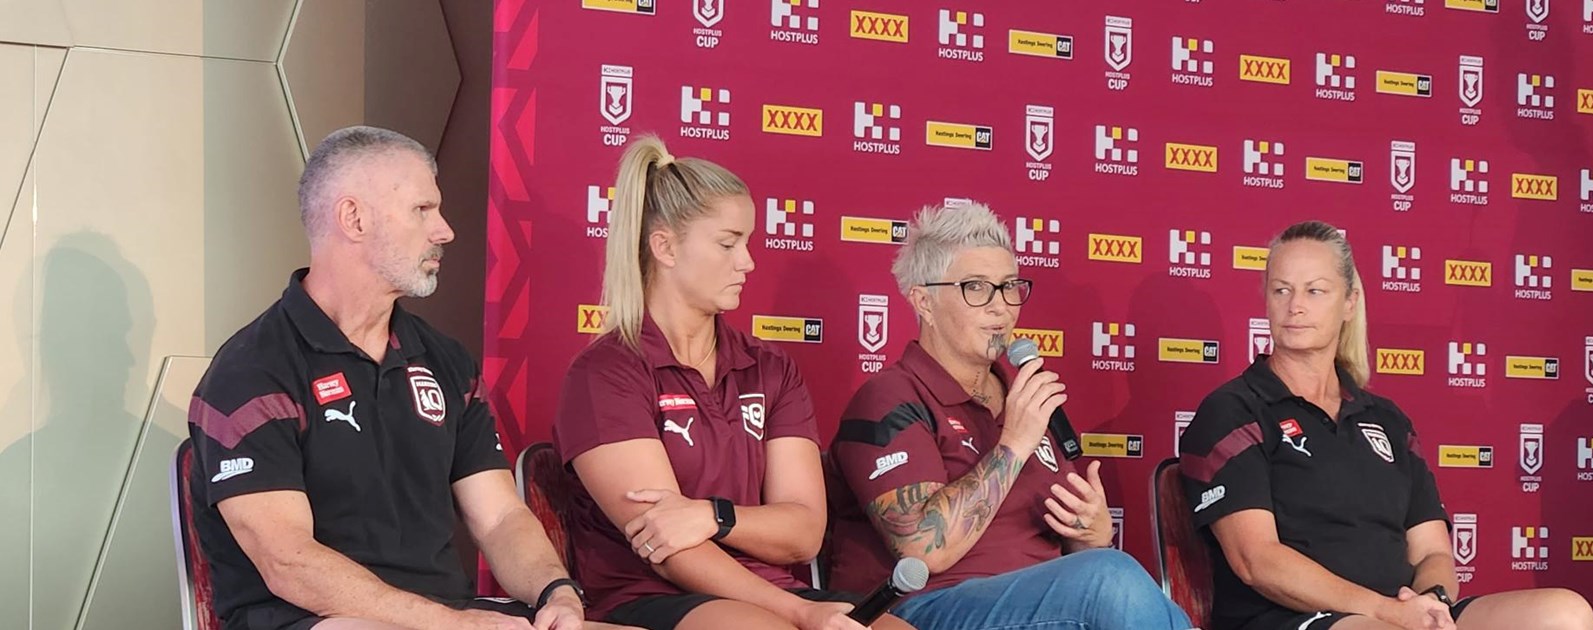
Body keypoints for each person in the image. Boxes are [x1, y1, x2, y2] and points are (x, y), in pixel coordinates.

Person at [188, 126, 632, 629]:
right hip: (310, 618)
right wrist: (452, 626)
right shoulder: (250, 370)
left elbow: (500, 517)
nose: (445, 230)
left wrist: (557, 592)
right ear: (353, 218)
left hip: (443, 615)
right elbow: (288, 562)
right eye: (423, 210)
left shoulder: (445, 360)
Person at [553, 136, 913, 630]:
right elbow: (665, 547)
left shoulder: (770, 367)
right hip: (651, 594)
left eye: (748, 242)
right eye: (727, 243)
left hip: (774, 592)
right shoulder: (605, 373)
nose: (748, 261)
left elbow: (805, 531)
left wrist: (714, 516)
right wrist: (802, 612)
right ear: (665, 247)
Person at [1180, 220, 1593, 630]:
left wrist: (1430, 605)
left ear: (1349, 302)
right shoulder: (1234, 409)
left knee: (1564, 613)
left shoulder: (1387, 419)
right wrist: (1384, 612)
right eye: (1281, 290)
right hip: (1294, 618)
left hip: (1399, 614)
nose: (1296, 306)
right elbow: (1257, 561)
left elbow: (1433, 551)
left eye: (1315, 290)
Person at [825, 202, 1194, 630]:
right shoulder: (890, 397)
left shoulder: (1024, 397)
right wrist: (1013, 444)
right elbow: (923, 549)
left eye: (1009, 287)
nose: (1001, 308)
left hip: (1044, 611)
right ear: (924, 302)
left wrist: (1089, 536)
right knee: (1109, 581)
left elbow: (1063, 558)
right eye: (976, 288)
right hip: (923, 610)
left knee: (1119, 577)